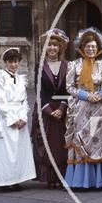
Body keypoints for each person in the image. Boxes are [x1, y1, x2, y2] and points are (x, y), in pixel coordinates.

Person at [64, 28, 102, 189]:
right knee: (82, 139)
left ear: (98, 48)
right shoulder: (74, 65)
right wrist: (85, 95)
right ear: (82, 47)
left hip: (99, 109)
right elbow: (69, 87)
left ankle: (97, 180)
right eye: (88, 46)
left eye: (94, 46)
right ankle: (80, 180)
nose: (91, 49)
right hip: (80, 109)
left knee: (97, 141)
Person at [0, 48, 36, 191]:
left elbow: (24, 101)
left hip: (19, 115)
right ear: (5, 62)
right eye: (10, 62)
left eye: (16, 62)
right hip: (6, 117)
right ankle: (4, 180)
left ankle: (16, 178)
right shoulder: (0, 77)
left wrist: (23, 117)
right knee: (5, 150)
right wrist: (12, 119)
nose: (13, 65)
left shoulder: (21, 78)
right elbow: (0, 102)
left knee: (18, 150)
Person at [31, 29, 70, 190]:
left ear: (60, 47)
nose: (52, 48)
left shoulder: (67, 65)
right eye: (49, 45)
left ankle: (61, 177)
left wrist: (61, 108)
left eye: (55, 45)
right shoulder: (40, 66)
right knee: (46, 145)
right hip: (45, 109)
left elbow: (68, 89)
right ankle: (49, 178)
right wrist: (48, 110)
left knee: (61, 145)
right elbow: (39, 91)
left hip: (62, 109)